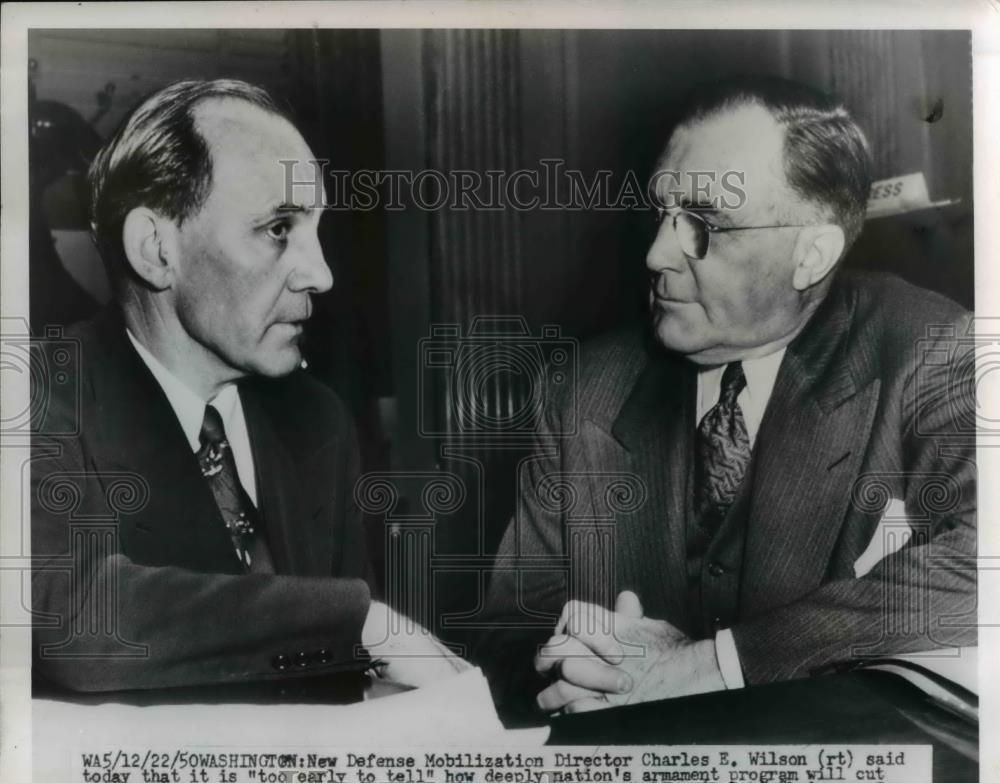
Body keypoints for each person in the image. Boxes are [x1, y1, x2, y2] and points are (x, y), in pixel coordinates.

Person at [475, 76, 977, 723]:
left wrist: (712, 665)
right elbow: (505, 626)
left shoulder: (929, 351)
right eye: (662, 213)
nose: (658, 254)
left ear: (811, 254)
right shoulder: (579, 389)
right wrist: (585, 672)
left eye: (704, 226)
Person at [31, 79, 467, 694]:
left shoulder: (318, 420)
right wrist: (359, 621)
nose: (322, 274)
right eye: (278, 228)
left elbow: (341, 691)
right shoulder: (37, 399)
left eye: (316, 228)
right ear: (156, 249)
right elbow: (75, 614)